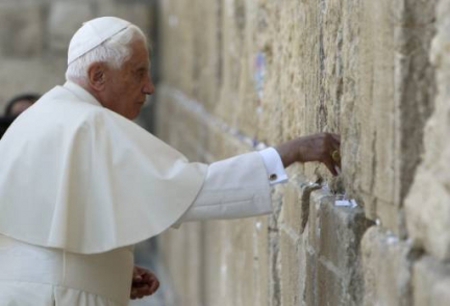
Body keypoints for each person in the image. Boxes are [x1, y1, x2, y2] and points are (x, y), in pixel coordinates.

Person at [0, 17, 340, 305]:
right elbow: (189, 191)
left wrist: (109, 267)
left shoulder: (39, 117)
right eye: (138, 72)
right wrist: (287, 154)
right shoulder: (90, 124)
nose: (149, 87)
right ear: (98, 76)